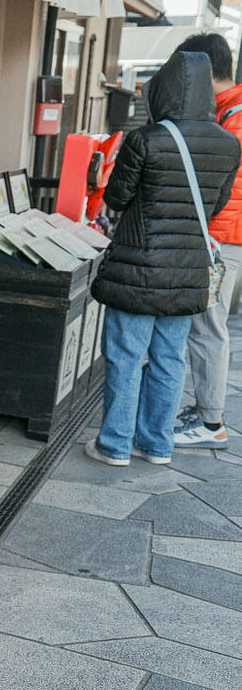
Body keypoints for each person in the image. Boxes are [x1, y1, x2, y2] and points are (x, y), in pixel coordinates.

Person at [87, 50, 240, 467]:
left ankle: (115, 444)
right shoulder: (228, 144)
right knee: (170, 359)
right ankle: (156, 444)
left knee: (125, 357)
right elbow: (217, 204)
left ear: (164, 90)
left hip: (137, 269)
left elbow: (116, 198)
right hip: (187, 272)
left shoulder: (146, 139)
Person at [173, 32, 242, 448]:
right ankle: (205, 412)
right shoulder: (229, 108)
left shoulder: (234, 116)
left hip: (220, 241)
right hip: (224, 238)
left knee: (208, 327)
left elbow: (219, 185)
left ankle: (211, 421)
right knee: (207, 326)